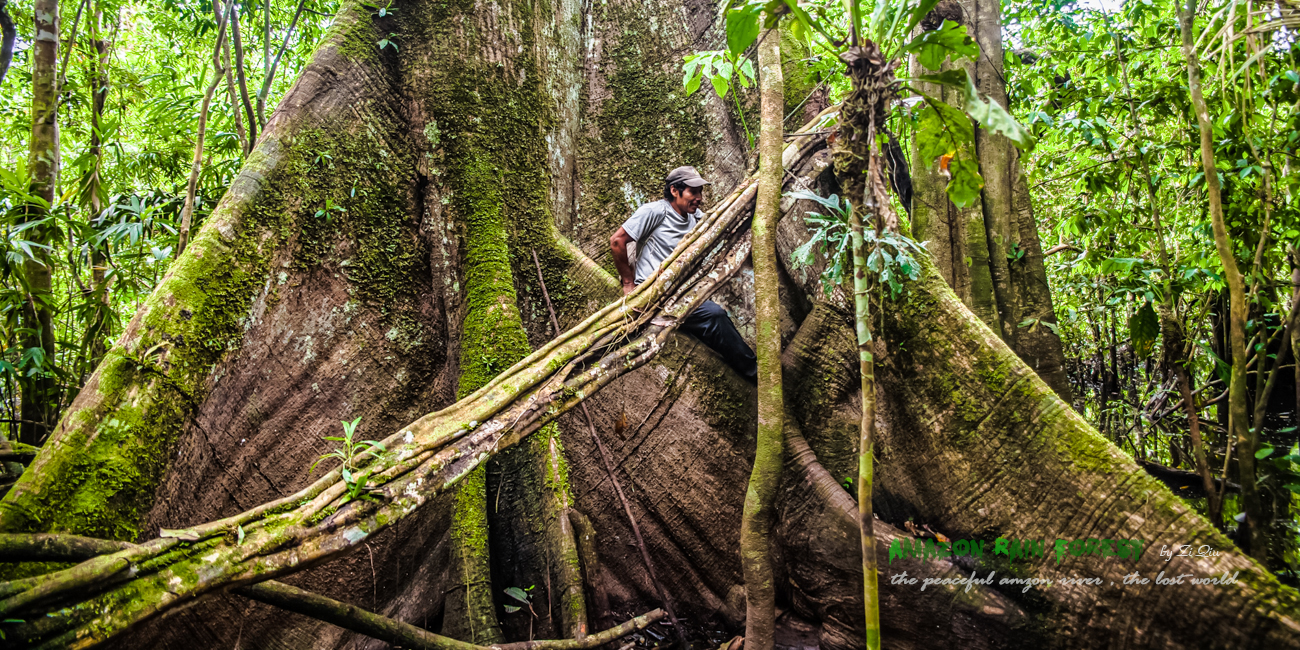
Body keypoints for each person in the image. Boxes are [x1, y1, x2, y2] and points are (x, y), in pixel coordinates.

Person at [610, 166, 758, 385]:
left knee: (711, 315)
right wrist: (629, 283)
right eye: (693, 192)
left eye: (700, 192)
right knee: (714, 316)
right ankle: (756, 374)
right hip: (655, 293)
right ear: (674, 191)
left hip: (680, 291)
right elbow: (617, 241)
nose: (699, 198)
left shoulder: (695, 217)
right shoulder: (655, 212)